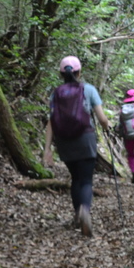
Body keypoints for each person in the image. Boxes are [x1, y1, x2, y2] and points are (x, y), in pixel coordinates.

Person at [42, 55, 111, 237]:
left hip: (64, 142)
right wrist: (108, 126)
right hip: (85, 139)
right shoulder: (88, 89)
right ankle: (84, 210)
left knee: (75, 178)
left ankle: (76, 215)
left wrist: (47, 149)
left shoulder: (55, 93)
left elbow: (51, 122)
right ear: (79, 72)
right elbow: (102, 118)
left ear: (60, 73)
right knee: (86, 179)